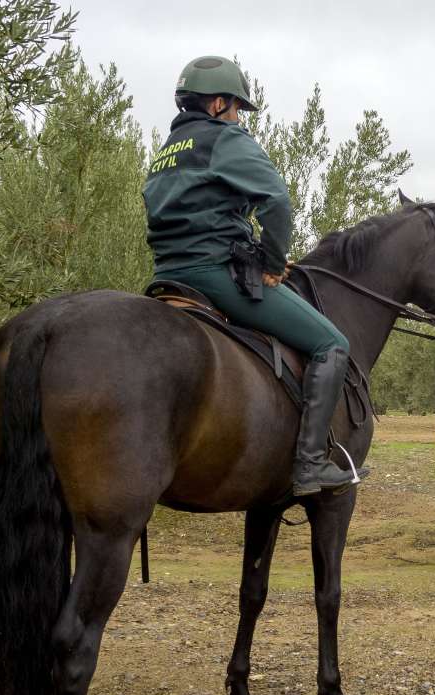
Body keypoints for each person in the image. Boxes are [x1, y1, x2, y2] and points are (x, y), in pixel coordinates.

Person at [142, 55, 366, 495]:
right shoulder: (223, 139)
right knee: (332, 343)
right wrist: (270, 259)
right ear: (218, 103)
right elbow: (277, 201)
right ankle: (310, 465)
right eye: (237, 108)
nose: (239, 117)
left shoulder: (166, 153)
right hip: (216, 275)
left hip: (168, 275)